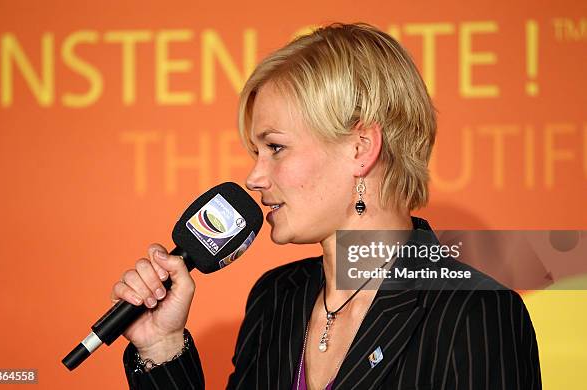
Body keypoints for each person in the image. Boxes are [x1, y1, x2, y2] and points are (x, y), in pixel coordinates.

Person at [113, 23, 542, 389]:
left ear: (360, 148)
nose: (255, 178)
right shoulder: (275, 297)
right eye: (256, 152)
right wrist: (162, 347)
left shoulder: (475, 313)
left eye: (275, 148)